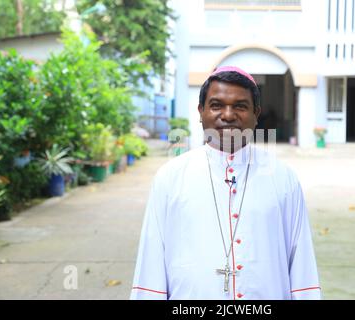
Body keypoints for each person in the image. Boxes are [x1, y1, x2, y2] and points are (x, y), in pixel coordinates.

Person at [130, 66, 321, 300]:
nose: (228, 115)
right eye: (216, 105)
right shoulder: (170, 177)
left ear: (256, 113)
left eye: (240, 106)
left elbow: (301, 261)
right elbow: (151, 263)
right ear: (201, 112)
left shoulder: (283, 178)